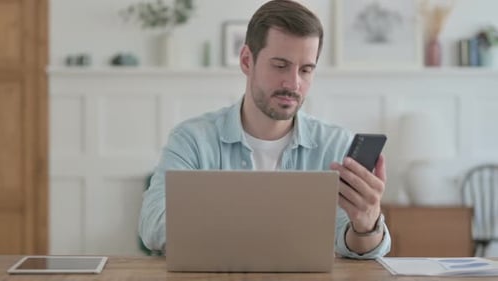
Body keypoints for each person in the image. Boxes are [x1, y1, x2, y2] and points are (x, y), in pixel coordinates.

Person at [139, 0, 391, 259]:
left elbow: (351, 245)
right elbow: (154, 225)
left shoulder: (336, 145)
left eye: (305, 70)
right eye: (280, 65)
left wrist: (366, 225)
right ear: (247, 60)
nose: (293, 83)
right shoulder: (192, 140)